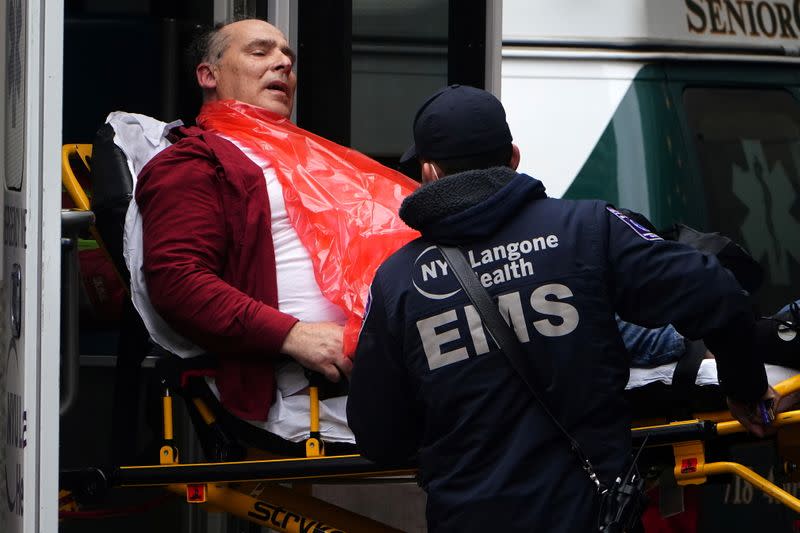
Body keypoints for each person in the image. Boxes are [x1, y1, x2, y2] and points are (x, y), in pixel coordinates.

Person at [346, 84, 779, 532]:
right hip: (590, 515)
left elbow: (378, 436)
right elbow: (717, 292)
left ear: (429, 172)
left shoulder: (398, 280)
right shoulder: (589, 228)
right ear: (513, 157)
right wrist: (745, 387)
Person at [131, 18, 416, 443]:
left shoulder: (306, 155)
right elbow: (177, 282)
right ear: (209, 75)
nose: (283, 63)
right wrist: (294, 335)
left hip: (398, 359)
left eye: (287, 56)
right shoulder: (193, 163)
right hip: (312, 388)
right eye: (260, 52)